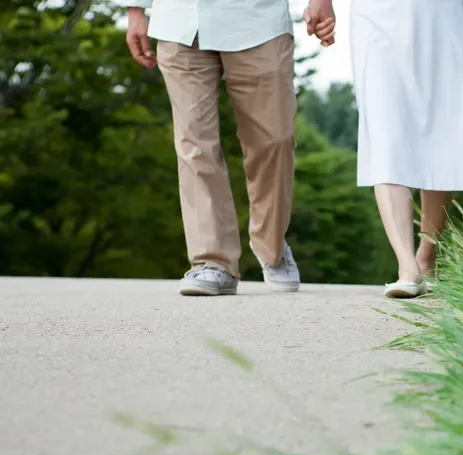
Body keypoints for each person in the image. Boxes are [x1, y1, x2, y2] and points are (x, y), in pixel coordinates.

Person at [124, 0, 334, 296]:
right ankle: (212, 261)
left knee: (275, 140)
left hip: (258, 20)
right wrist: (135, 9)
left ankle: (272, 247)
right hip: (180, 21)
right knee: (194, 145)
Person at [309, 0, 463, 299]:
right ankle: (406, 266)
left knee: (442, 127)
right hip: (374, 15)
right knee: (384, 131)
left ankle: (427, 256)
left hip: (440, 16)